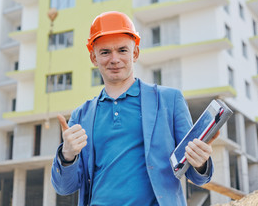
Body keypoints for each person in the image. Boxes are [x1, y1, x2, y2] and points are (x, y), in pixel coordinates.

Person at [51, 11, 219, 206]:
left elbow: (197, 177)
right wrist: (67, 155)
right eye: (105, 52)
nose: (114, 59)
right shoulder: (81, 116)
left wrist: (200, 162)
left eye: (122, 50)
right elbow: (64, 188)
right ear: (94, 58)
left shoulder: (169, 101)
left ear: (135, 53)